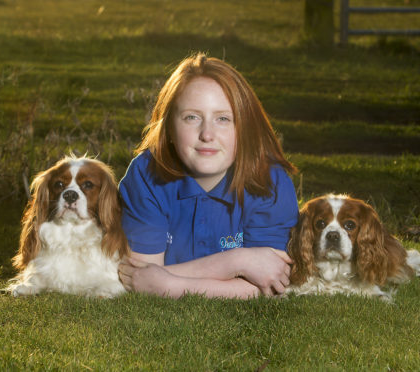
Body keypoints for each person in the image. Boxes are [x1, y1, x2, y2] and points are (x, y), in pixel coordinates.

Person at [117, 53, 298, 299]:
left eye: (223, 119)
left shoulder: (269, 182)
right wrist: (239, 261)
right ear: (169, 127)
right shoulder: (146, 176)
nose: (207, 134)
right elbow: (139, 274)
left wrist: (170, 287)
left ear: (244, 128)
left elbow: (269, 285)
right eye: (192, 117)